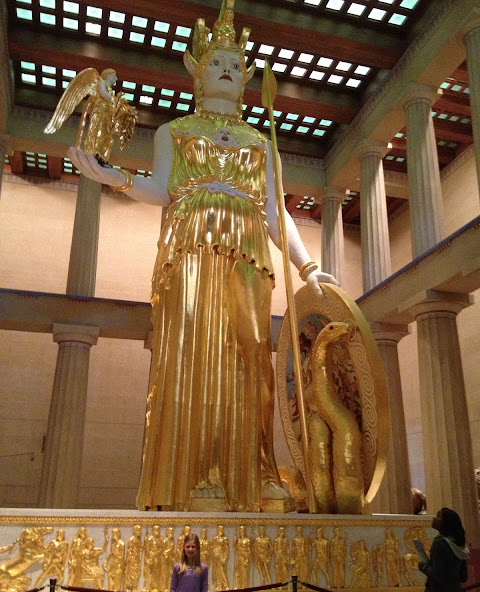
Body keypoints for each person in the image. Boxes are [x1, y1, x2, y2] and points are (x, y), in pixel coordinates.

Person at [67, 0, 338, 513]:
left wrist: (306, 265)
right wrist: (115, 178)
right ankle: (194, 476)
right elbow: (162, 189)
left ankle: (256, 473)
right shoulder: (174, 131)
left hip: (249, 251)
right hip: (190, 248)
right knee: (190, 351)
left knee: (253, 353)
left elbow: (275, 213)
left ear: (247, 78)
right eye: (218, 62)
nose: (228, 70)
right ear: (197, 70)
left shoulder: (261, 142)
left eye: (236, 64)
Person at [418, 508, 470, 592]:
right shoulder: (459, 542)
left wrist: (423, 566)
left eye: (438, 516)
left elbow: (438, 575)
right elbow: (463, 575)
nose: (434, 518)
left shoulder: (439, 543)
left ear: (446, 523)